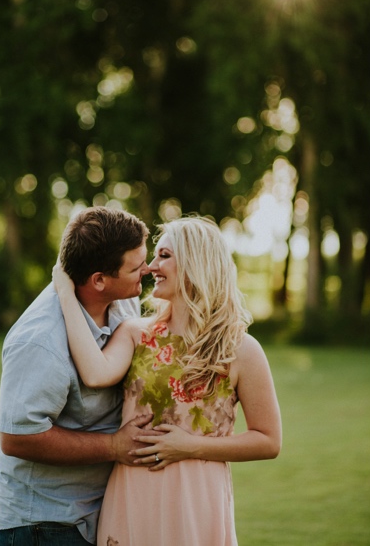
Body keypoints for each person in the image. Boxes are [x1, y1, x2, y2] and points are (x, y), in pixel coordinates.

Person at [53, 214, 282, 546]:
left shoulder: (241, 349)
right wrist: (64, 293)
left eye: (164, 256)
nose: (149, 267)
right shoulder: (135, 333)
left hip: (197, 501)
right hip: (133, 495)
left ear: (195, 263)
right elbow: (95, 372)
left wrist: (191, 446)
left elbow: (268, 441)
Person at [0, 206, 157, 546]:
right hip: (45, 524)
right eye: (136, 266)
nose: (149, 269)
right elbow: (17, 438)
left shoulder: (123, 303)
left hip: (99, 511)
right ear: (99, 280)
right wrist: (115, 445)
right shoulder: (40, 340)